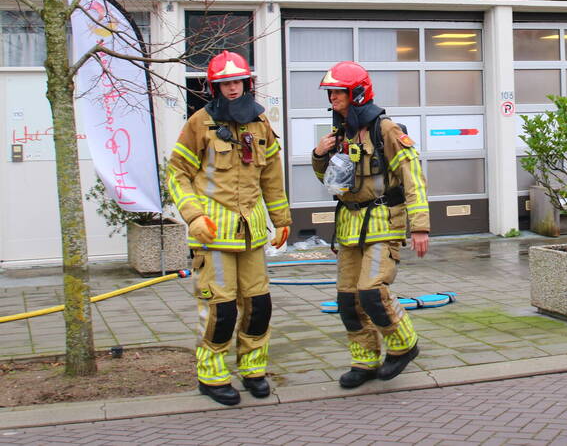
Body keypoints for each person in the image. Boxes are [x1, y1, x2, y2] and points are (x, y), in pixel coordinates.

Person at [166, 50, 292, 406]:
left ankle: (253, 370)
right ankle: (212, 375)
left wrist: (281, 220)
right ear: (214, 87)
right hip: (214, 234)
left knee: (258, 305)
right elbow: (177, 174)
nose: (232, 89)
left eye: (237, 82)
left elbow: (271, 175)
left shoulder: (260, 123)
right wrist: (193, 216)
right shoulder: (199, 124)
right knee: (220, 311)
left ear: (247, 83)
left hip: (252, 233)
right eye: (225, 83)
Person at [311, 61, 430, 389]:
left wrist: (420, 227)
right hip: (350, 225)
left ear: (357, 94)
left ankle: (404, 345)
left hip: (383, 222)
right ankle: (363, 361)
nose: (332, 97)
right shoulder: (341, 132)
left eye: (338, 91)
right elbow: (332, 180)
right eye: (331, 92)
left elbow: (413, 179)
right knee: (347, 300)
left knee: (372, 293)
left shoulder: (386, 130)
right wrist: (319, 155)